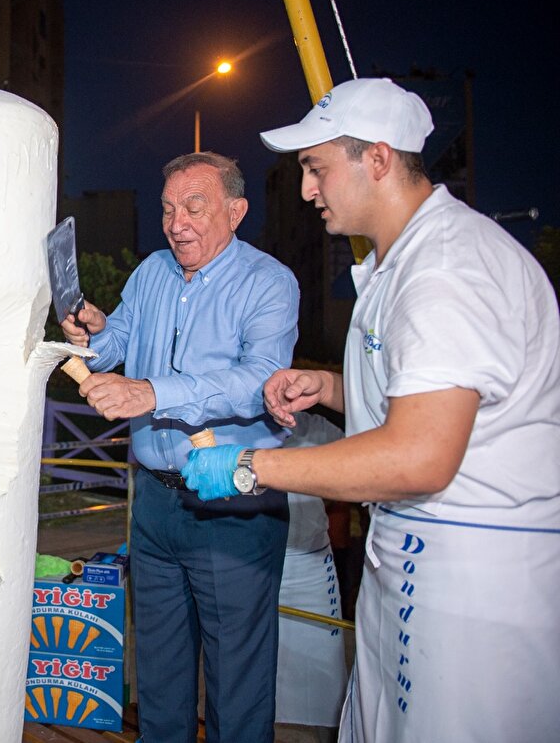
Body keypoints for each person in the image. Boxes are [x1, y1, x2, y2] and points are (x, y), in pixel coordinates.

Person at [181, 77, 560, 742]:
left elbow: (419, 456)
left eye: (316, 168)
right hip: (410, 567)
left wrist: (249, 467)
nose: (307, 190)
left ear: (378, 159)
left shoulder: (447, 268)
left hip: (472, 590)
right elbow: (423, 398)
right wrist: (329, 388)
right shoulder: (398, 264)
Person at [61, 151, 299, 742]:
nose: (177, 223)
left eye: (195, 206)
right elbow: (117, 343)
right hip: (154, 504)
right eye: (168, 209)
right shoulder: (152, 272)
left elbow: (259, 381)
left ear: (236, 212)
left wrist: (152, 392)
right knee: (159, 674)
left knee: (236, 683)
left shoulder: (268, 282)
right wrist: (94, 332)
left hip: (233, 501)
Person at [275, 412, 347, 741]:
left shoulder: (314, 428)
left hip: (310, 564)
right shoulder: (236, 426)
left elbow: (355, 465)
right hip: (254, 566)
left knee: (322, 674)